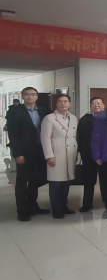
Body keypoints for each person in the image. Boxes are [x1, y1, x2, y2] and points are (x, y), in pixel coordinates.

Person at [6, 87, 51, 221]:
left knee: (36, 179)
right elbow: (13, 134)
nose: (30, 97)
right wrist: (17, 153)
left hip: (40, 151)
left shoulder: (43, 111)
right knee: (22, 181)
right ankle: (22, 210)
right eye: (27, 94)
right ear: (22, 96)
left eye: (33, 94)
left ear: (37, 96)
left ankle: (32, 205)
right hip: (24, 152)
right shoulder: (15, 112)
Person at [41, 94, 78, 219]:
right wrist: (49, 156)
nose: (63, 104)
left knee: (66, 182)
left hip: (70, 154)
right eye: (60, 102)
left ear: (70, 104)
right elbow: (45, 139)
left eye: (66, 101)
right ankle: (56, 209)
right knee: (56, 183)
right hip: (56, 154)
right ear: (56, 104)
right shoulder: (49, 118)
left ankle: (64, 206)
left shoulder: (73, 118)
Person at [77, 97, 106, 212]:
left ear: (103, 105)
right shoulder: (84, 120)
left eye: (99, 103)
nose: (96, 105)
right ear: (90, 105)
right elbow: (80, 138)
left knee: (106, 179)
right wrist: (83, 153)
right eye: (94, 103)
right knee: (89, 180)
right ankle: (87, 203)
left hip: (105, 154)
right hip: (89, 154)